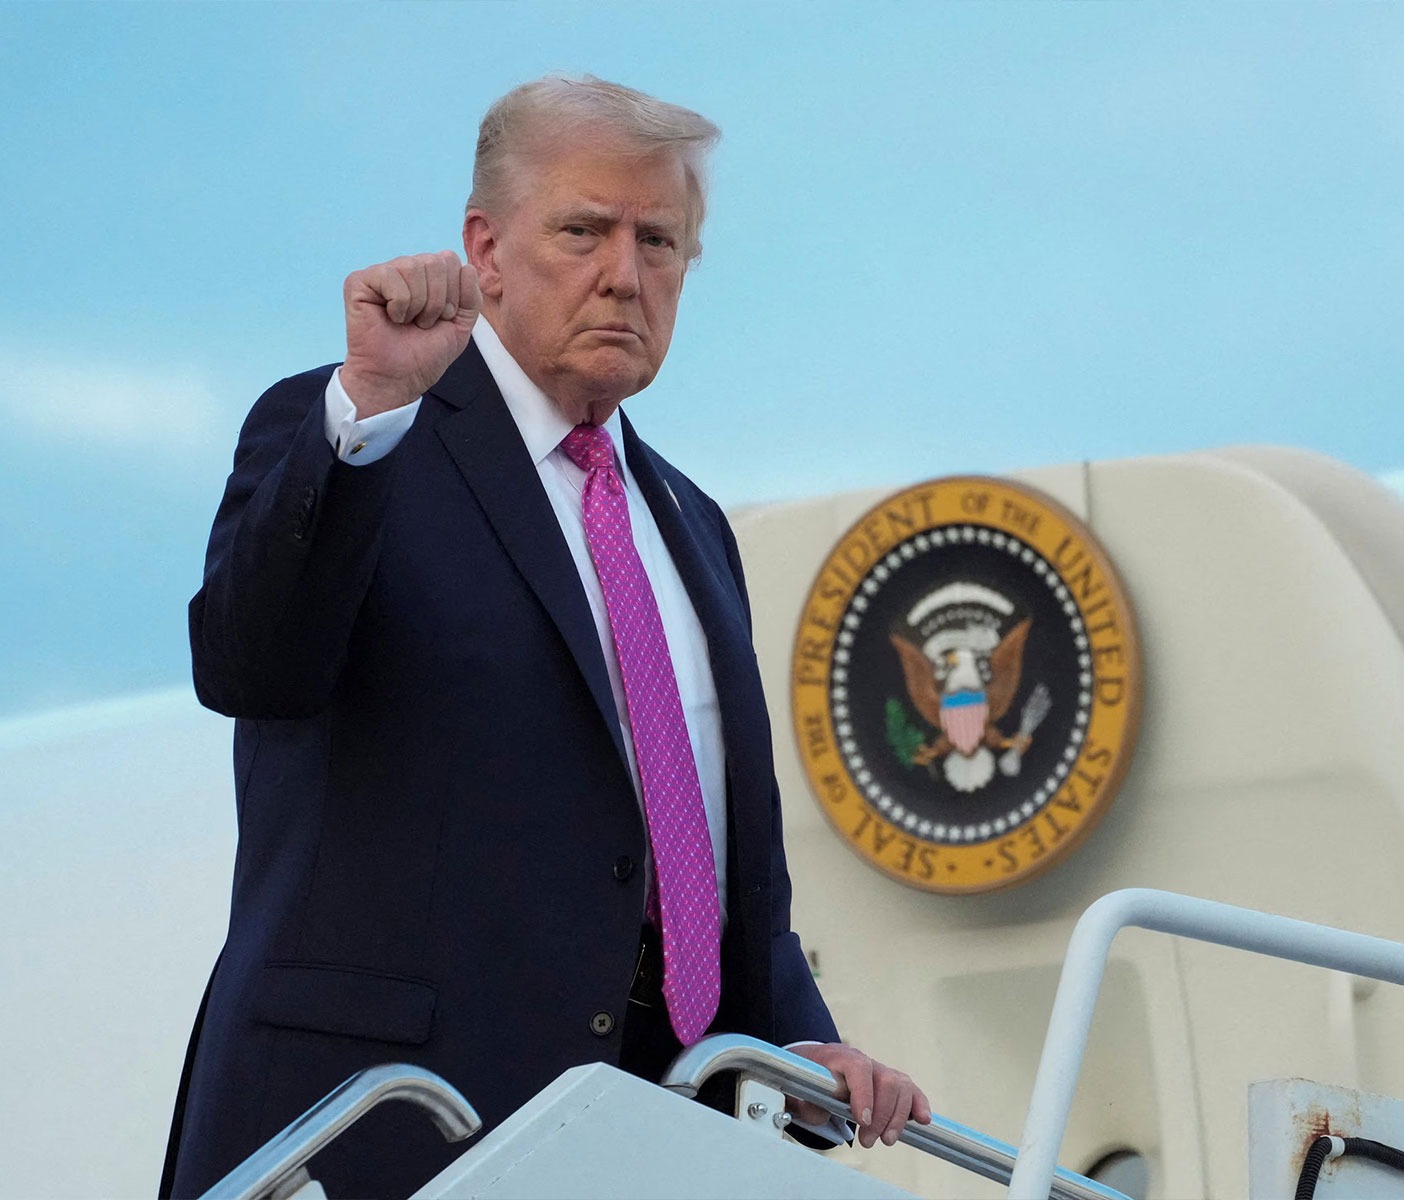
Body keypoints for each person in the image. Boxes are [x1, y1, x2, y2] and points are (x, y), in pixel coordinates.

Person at [162, 75, 929, 1199]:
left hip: (636, 1147)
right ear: (485, 247)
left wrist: (798, 1042)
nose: (625, 273)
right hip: (377, 1132)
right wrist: (369, 405)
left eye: (660, 240)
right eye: (583, 230)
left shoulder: (693, 526)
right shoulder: (358, 432)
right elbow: (249, 666)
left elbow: (708, 854)